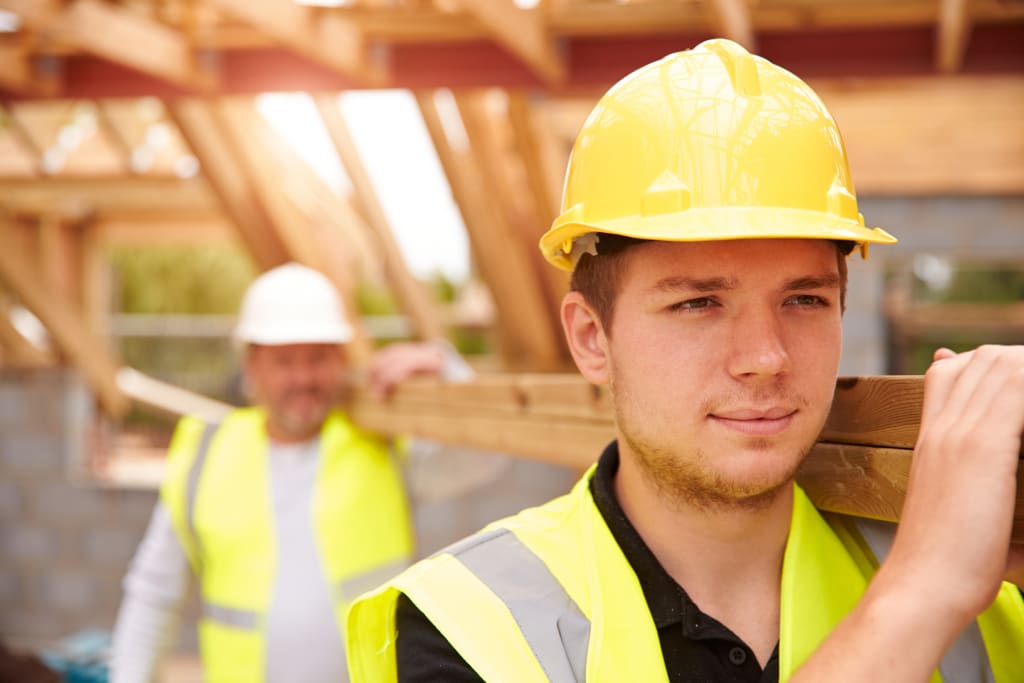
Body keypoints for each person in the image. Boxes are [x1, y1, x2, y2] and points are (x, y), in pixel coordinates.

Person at [345, 38, 1024, 682]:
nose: (765, 357)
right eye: (698, 303)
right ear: (591, 338)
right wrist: (921, 592)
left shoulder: (994, 594)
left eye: (805, 300)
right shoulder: (470, 626)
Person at [110, 262, 489, 683]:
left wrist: (445, 365)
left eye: (318, 358)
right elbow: (154, 595)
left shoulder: (382, 444)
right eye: (285, 361)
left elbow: (486, 452)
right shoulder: (208, 453)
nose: (304, 377)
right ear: (252, 367)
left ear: (342, 359)